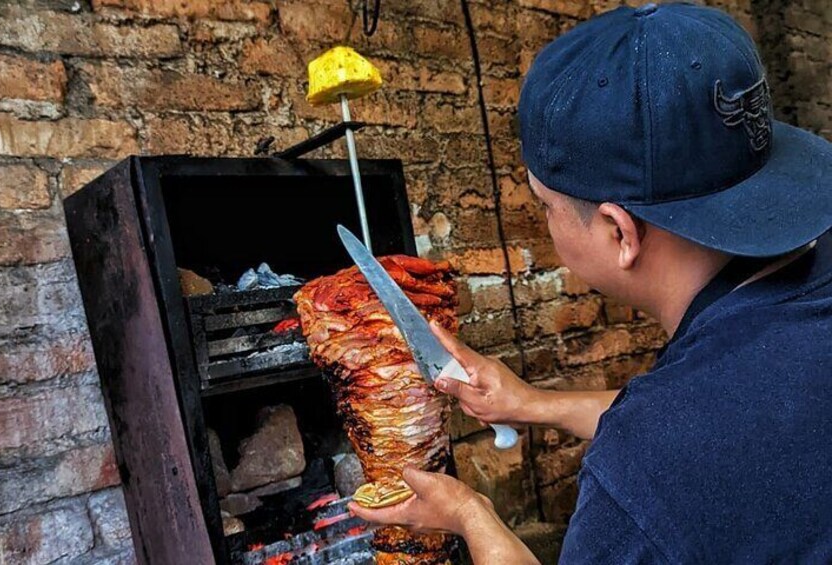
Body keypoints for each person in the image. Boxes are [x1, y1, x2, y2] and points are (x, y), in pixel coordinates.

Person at [348, 2, 832, 563]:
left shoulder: (642, 478)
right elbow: (717, 419)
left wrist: (468, 514)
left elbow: (679, 437)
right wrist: (532, 405)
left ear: (619, 232)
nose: (546, 220)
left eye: (546, 206)